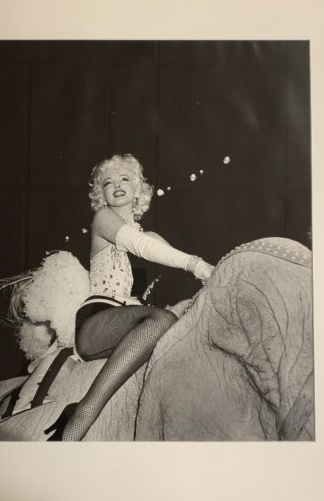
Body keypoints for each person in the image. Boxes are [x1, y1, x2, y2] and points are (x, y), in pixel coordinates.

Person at [44, 154, 214, 441]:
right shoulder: (103, 219)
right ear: (101, 194)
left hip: (130, 326)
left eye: (125, 179)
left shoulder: (151, 236)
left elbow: (167, 254)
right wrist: (197, 265)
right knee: (162, 319)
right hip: (97, 321)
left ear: (138, 189)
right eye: (108, 183)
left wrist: (215, 278)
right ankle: (83, 411)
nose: (117, 185)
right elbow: (141, 246)